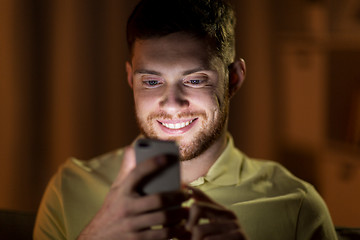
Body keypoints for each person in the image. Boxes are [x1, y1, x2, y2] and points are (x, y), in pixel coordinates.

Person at [33, 0, 338, 239]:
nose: (173, 104)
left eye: (194, 80)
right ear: (130, 79)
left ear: (234, 79)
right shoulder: (69, 188)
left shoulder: (297, 206)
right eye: (152, 82)